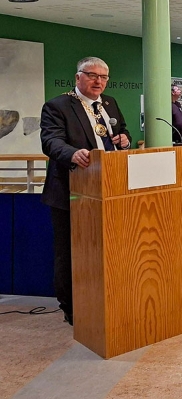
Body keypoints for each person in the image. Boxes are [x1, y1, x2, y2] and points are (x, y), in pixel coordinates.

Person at [40, 56, 131, 325]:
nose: (98, 81)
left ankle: (105, 298)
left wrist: (123, 139)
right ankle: (71, 307)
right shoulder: (58, 105)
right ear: (78, 77)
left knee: (105, 249)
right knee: (70, 252)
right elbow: (50, 141)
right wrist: (72, 153)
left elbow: (121, 130)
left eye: (103, 77)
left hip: (108, 189)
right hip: (71, 192)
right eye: (92, 75)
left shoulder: (110, 103)